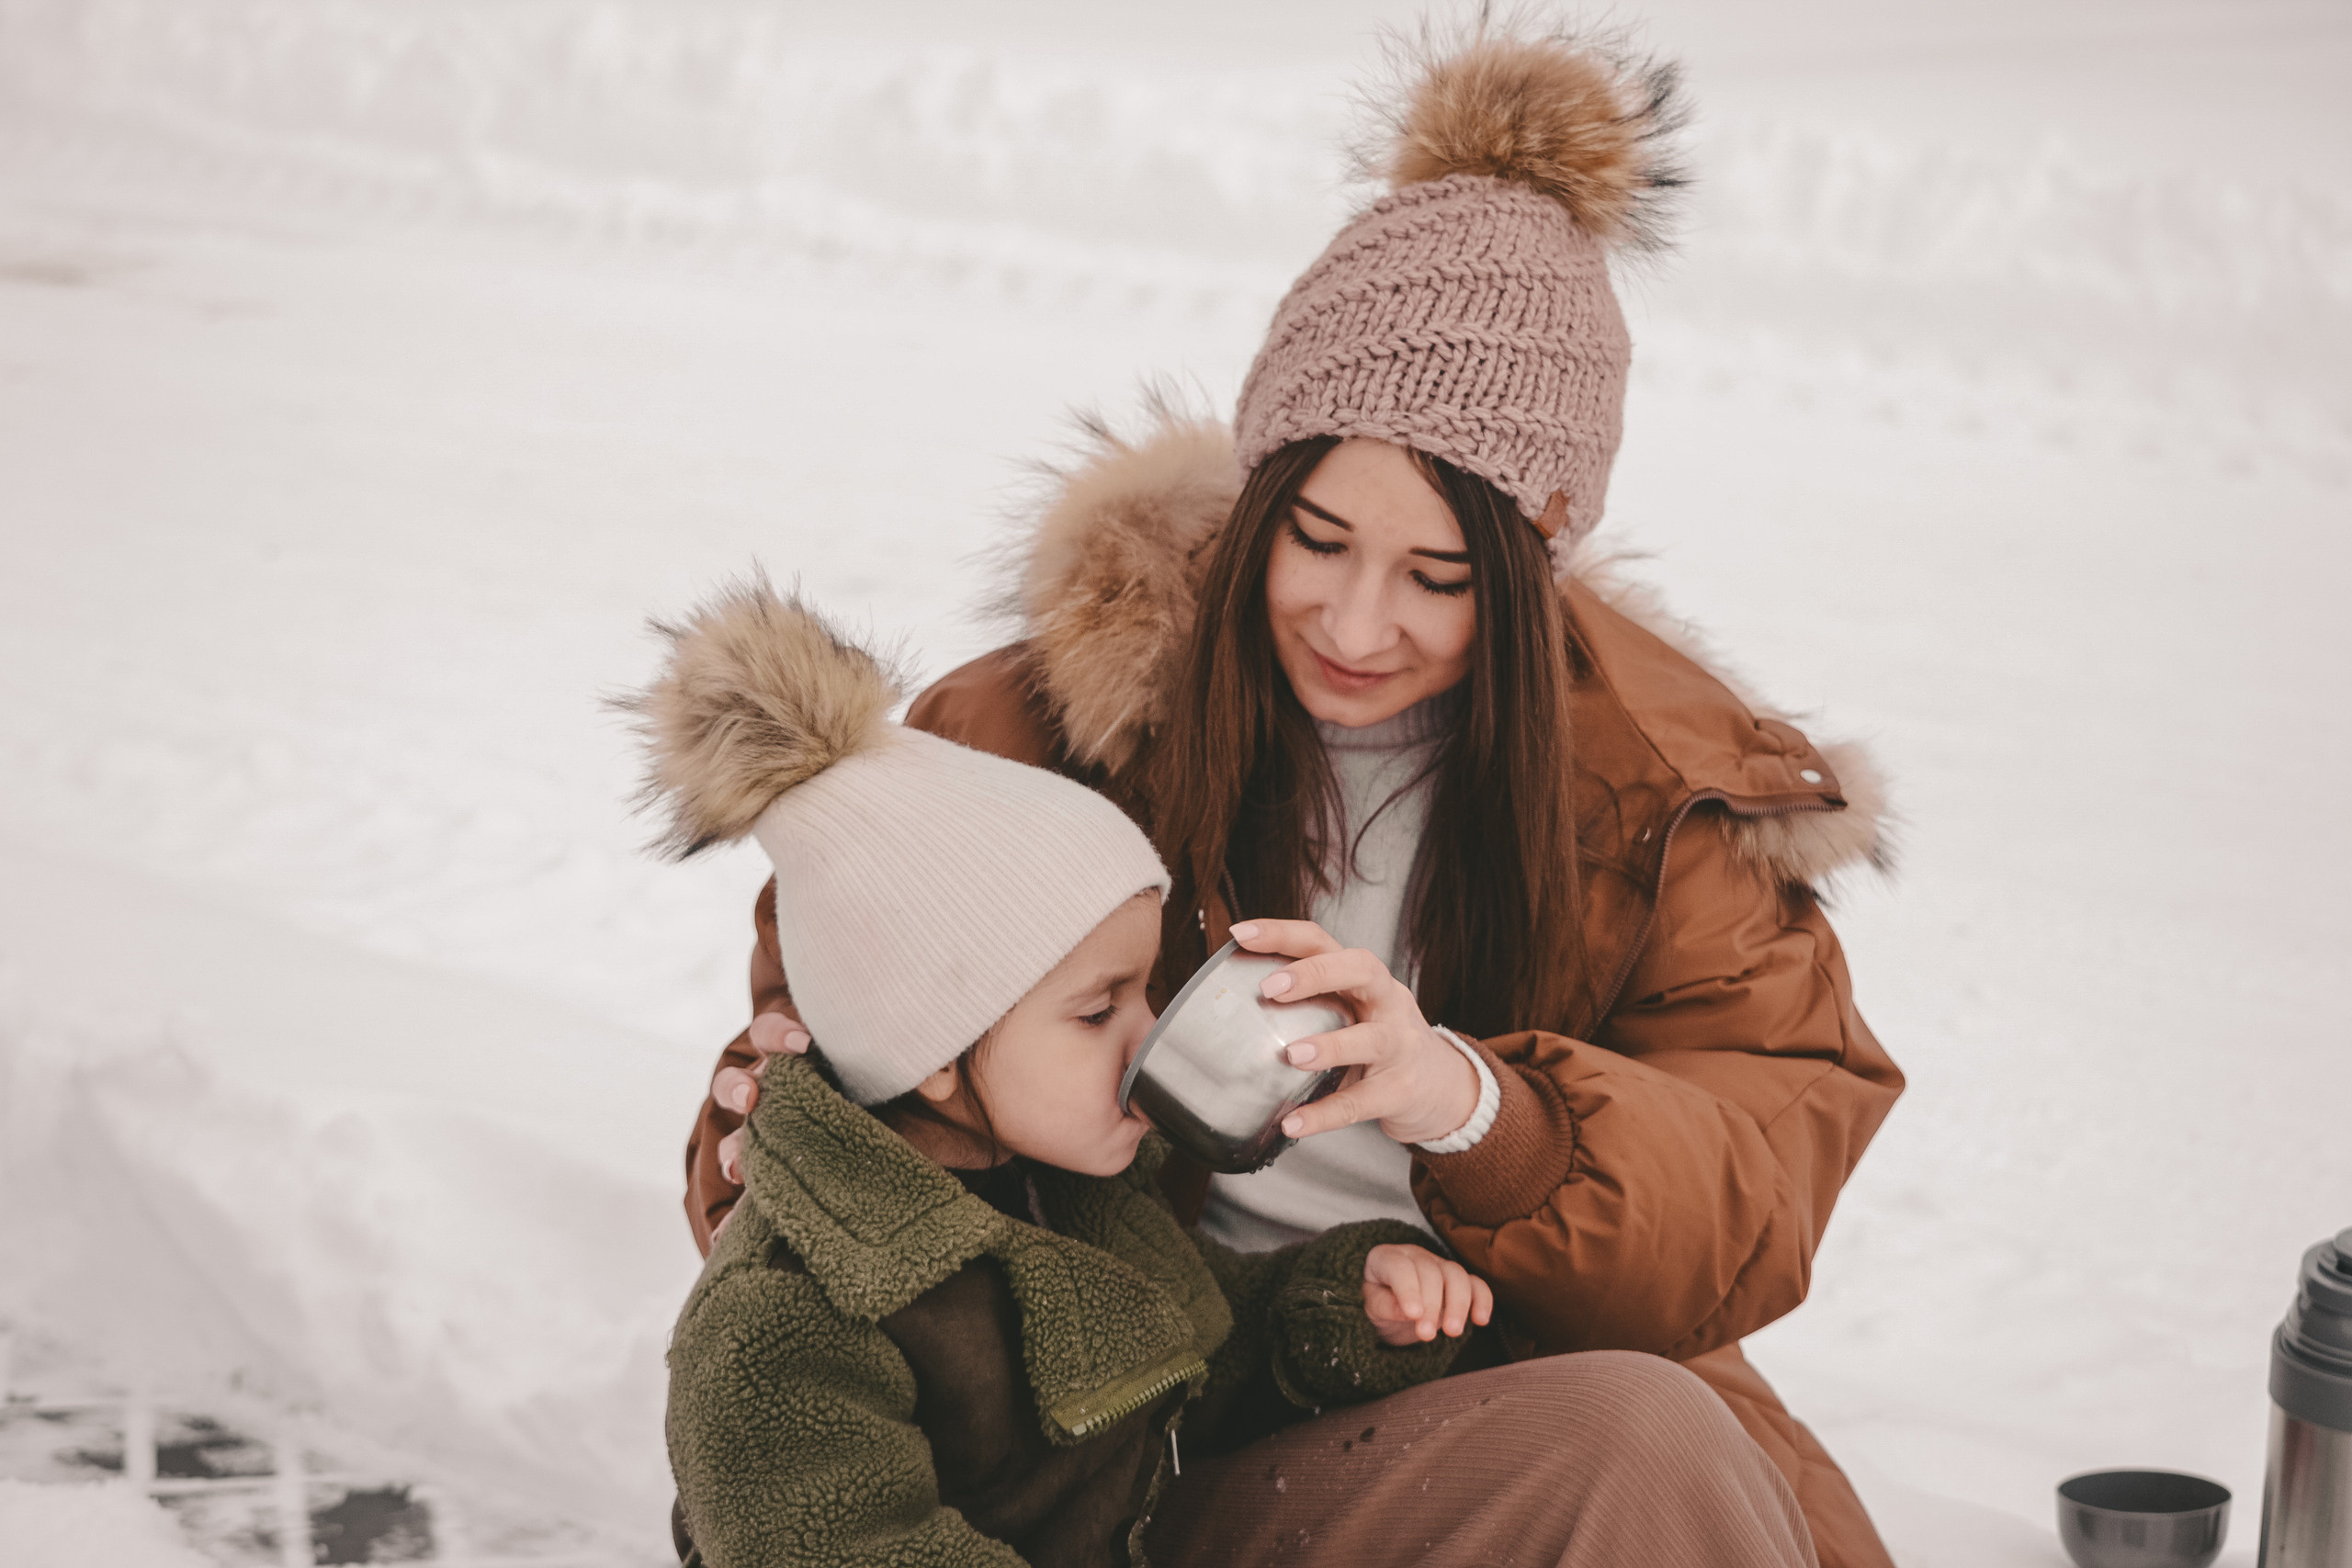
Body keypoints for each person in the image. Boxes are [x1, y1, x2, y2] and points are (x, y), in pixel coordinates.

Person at [685, 24, 1905, 1568]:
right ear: (1261, 487)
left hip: (1442, 1374)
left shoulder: (1663, 804)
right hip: (1112, 1438)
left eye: (1439, 576)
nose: (1354, 624)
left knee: (1663, 1455)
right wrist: (747, 1134)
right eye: (1317, 538)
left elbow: (1745, 1199)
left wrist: (1470, 1105)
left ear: (1533, 575)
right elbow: (826, 1134)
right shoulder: (1035, 728)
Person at [631, 581, 1815, 1568]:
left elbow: (1209, 1345)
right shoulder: (784, 1325)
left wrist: (1342, 1310)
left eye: (1143, 993)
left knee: (1649, 1436)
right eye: (1099, 1010)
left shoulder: (1087, 1193)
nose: (1147, 1038)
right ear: (934, 1055)